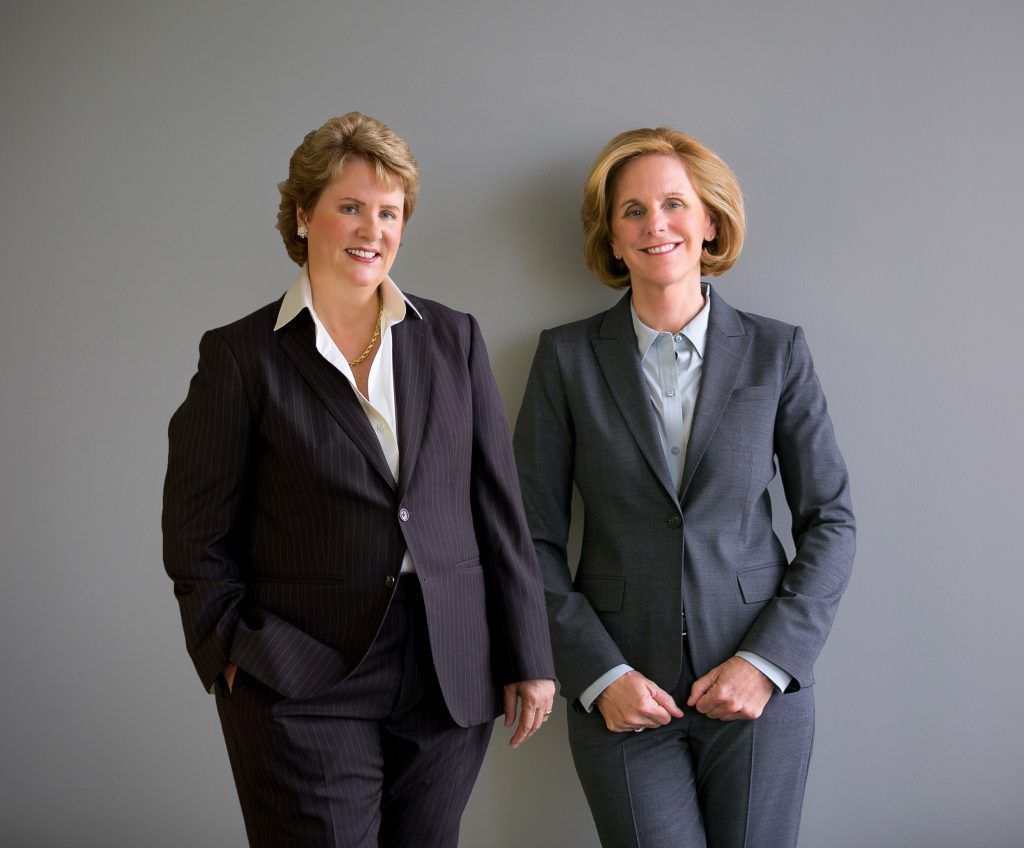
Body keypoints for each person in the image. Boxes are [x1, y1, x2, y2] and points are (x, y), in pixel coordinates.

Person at [163, 112, 555, 848]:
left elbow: (497, 508)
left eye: (389, 211)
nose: (371, 228)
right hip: (299, 670)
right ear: (304, 215)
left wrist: (529, 654)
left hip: (447, 663)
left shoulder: (453, 337)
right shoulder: (241, 356)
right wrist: (229, 653)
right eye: (350, 206)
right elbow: (195, 531)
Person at [513, 126, 855, 848]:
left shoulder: (776, 351)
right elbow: (527, 537)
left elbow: (830, 520)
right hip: (624, 694)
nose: (655, 224)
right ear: (610, 237)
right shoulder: (565, 359)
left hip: (758, 692)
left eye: (674, 203)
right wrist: (599, 674)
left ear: (709, 222)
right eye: (632, 210)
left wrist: (767, 664)